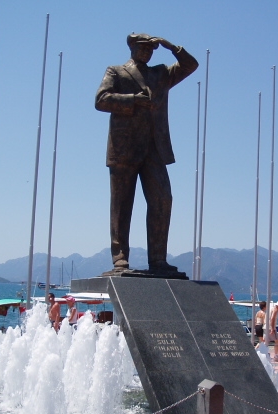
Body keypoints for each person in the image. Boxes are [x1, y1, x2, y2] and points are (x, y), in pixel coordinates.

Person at [95, 33, 198, 273]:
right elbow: (101, 100)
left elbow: (190, 65)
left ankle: (158, 260)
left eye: (150, 49)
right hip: (124, 147)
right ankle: (120, 259)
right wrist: (132, 100)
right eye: (142, 48)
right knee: (122, 205)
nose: (146, 52)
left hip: (154, 147)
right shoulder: (116, 71)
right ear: (131, 48)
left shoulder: (160, 74)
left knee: (163, 199)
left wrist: (171, 46)